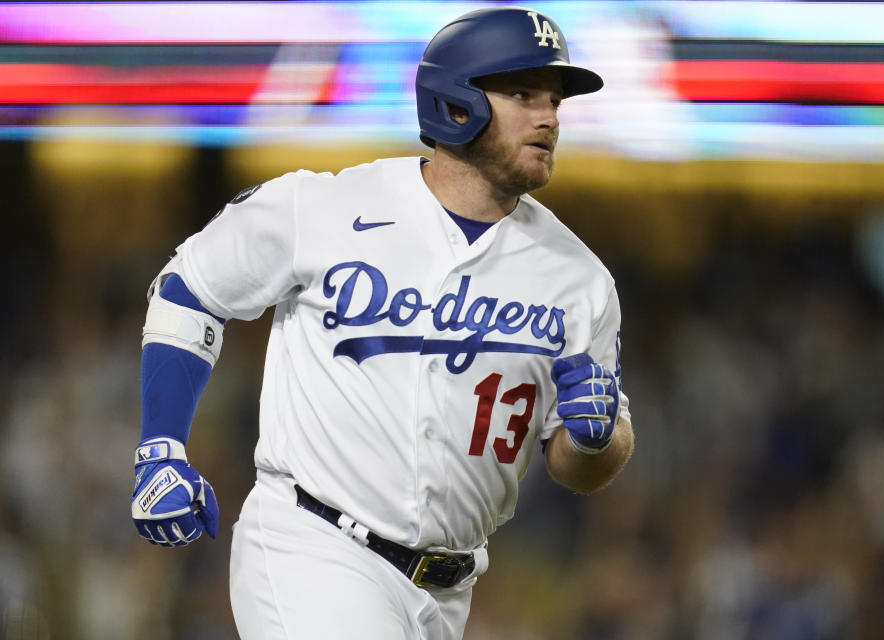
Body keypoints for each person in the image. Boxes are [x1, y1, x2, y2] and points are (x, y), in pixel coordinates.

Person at [130, 6, 634, 639]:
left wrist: (596, 440)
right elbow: (190, 287)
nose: (549, 117)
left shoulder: (580, 279)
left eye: (555, 101)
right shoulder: (326, 206)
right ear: (457, 103)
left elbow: (581, 463)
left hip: (449, 590)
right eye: (522, 93)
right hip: (312, 545)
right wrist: (161, 447)